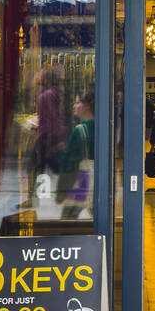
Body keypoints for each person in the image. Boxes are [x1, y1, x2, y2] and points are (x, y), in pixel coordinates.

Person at [56, 88, 95, 218]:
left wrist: (61, 192)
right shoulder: (103, 126)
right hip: (96, 184)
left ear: (87, 106)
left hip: (81, 184)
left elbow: (69, 165)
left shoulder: (80, 130)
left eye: (78, 103)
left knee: (67, 219)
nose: (74, 106)